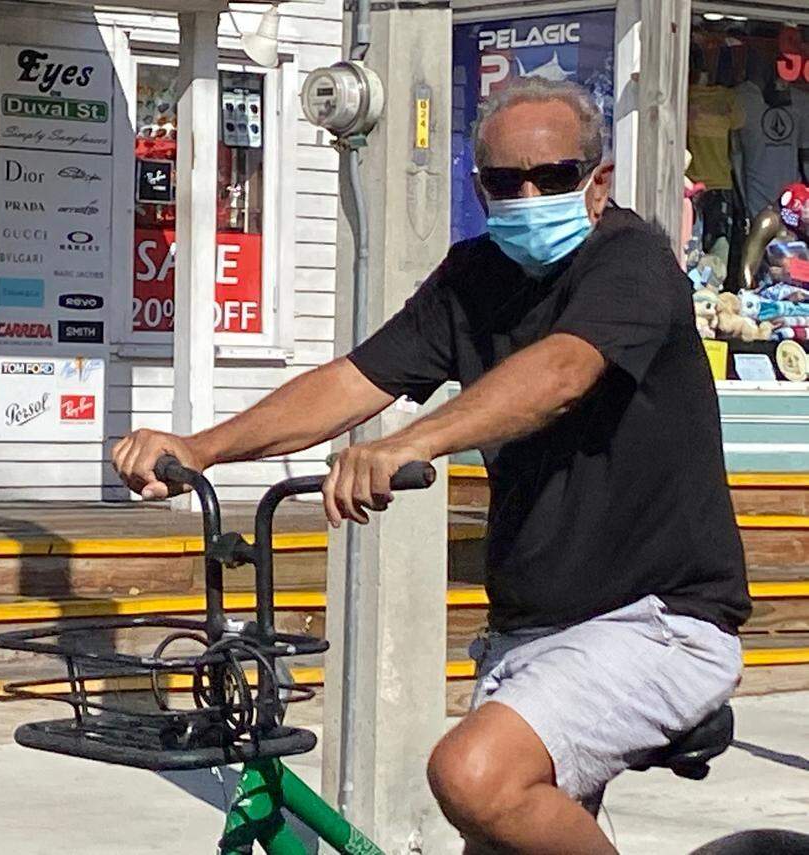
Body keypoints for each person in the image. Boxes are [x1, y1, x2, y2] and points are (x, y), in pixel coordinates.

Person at [112, 77, 750, 854]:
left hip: (659, 621)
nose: (527, 194)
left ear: (596, 180)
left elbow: (560, 373)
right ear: (479, 186)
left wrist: (411, 441)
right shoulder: (472, 278)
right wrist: (201, 447)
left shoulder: (632, 261)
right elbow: (353, 380)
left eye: (550, 178)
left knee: (472, 776)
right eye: (504, 181)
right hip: (530, 630)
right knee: (496, 833)